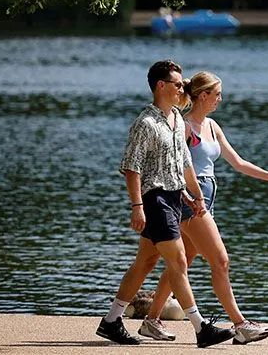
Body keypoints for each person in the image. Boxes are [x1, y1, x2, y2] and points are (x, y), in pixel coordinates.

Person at [139, 72, 268, 345]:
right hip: (190, 203)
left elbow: (238, 163)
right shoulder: (184, 127)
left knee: (181, 263)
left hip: (207, 201)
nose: (220, 99)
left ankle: (152, 320)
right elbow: (175, 167)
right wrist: (188, 195)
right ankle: (241, 325)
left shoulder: (212, 126)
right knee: (220, 261)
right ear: (202, 95)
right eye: (217, 94)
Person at [96, 60, 234, 347]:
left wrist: (193, 197)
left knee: (145, 262)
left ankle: (111, 321)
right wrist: (137, 207)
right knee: (179, 260)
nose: (183, 88)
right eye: (178, 84)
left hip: (174, 197)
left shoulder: (174, 120)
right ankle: (201, 328)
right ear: (161, 86)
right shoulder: (145, 123)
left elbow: (183, 167)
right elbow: (132, 168)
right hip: (154, 199)